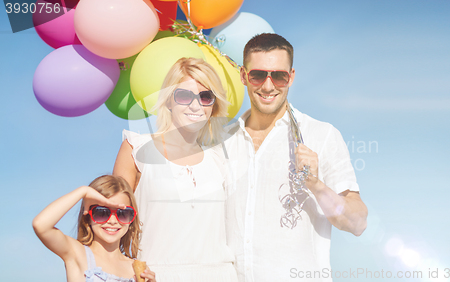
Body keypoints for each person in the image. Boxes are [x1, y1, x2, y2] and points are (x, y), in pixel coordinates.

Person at [223, 33, 368, 281]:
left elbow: (357, 222)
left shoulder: (322, 135)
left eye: (278, 76)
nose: (268, 86)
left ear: (290, 77)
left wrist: (316, 185)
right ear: (243, 77)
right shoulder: (222, 141)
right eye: (258, 75)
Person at [113, 57, 238, 282]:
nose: (195, 104)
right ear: (169, 101)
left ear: (214, 105)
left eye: (205, 96)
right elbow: (112, 223)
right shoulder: (136, 148)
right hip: (155, 276)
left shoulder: (221, 160)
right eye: (184, 95)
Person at [32, 175, 156, 282]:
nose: (113, 221)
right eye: (102, 212)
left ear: (131, 219)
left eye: (122, 214)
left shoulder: (137, 269)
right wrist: (83, 191)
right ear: (88, 216)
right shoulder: (77, 253)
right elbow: (41, 225)